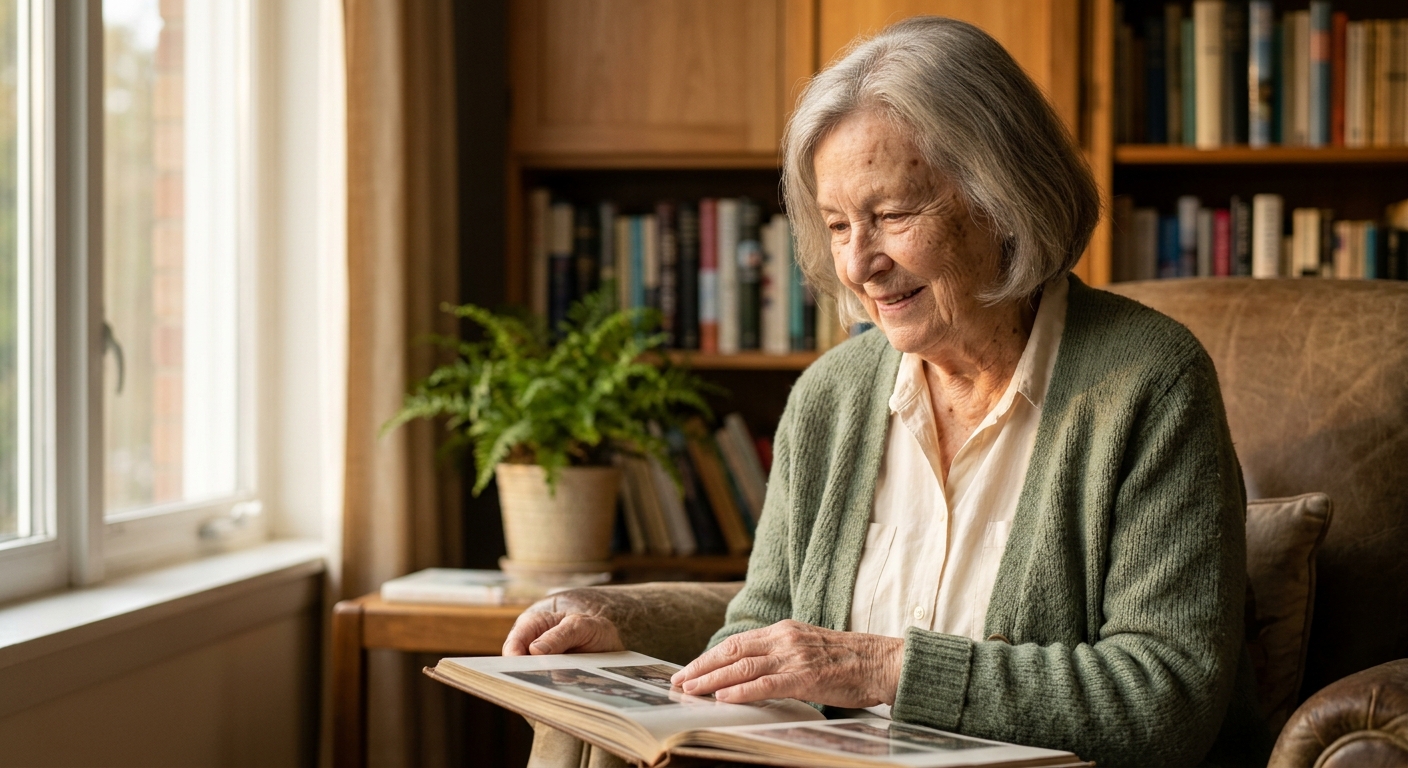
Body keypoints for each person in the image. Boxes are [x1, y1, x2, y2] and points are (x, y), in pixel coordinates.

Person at [505, 16, 1265, 767]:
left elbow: (1167, 698)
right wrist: (632, 649)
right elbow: (765, 626)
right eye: (837, 225)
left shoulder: (1149, 381)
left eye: (892, 216)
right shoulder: (829, 396)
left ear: (1004, 199)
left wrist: (882, 668)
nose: (858, 264)